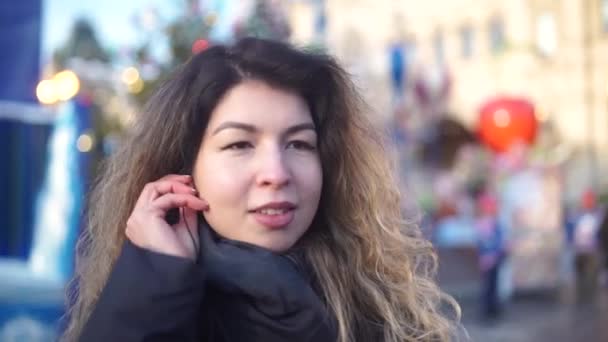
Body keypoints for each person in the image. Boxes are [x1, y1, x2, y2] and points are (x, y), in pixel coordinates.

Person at [62, 37, 460, 342]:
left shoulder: (375, 305)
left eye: (299, 144)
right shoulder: (150, 301)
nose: (276, 173)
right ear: (184, 171)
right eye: (239, 144)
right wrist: (155, 276)